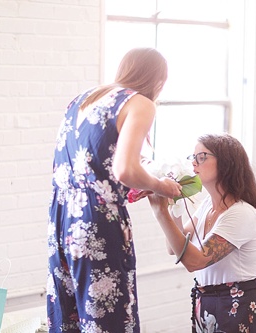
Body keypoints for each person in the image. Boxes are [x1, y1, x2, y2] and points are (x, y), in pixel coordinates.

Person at [46, 47, 182, 333]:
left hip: (62, 220)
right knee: (108, 319)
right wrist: (161, 186)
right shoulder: (140, 103)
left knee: (68, 317)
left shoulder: (83, 99)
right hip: (97, 225)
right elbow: (125, 170)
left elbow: (95, 165)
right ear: (158, 80)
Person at [148, 133, 256, 333]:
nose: (194, 164)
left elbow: (194, 261)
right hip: (207, 303)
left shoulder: (240, 213)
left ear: (226, 163)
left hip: (238, 306)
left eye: (202, 157)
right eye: (193, 157)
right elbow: (174, 247)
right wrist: (175, 205)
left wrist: (160, 212)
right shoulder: (208, 205)